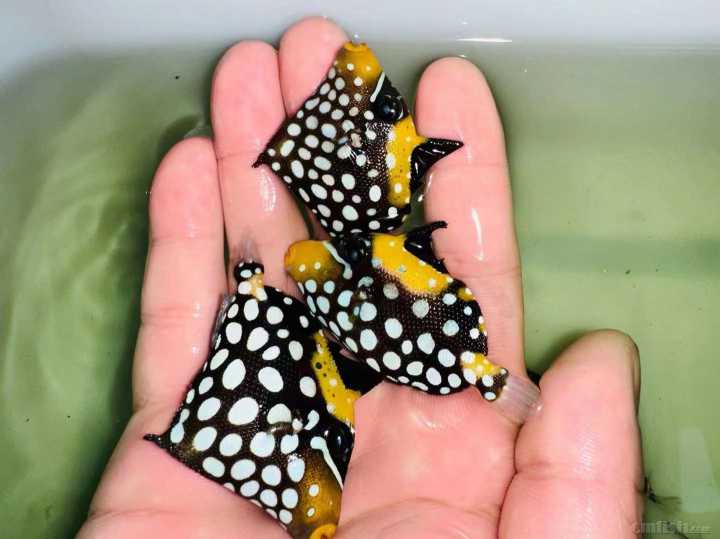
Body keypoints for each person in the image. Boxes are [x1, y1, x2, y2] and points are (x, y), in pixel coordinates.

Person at [76, 17, 643, 539]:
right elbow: (357, 340)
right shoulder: (337, 318)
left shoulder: (330, 315)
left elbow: (356, 343)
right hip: (360, 330)